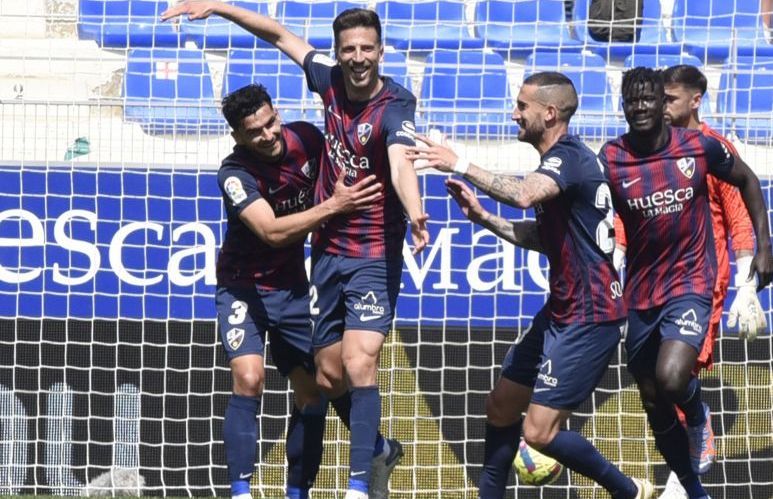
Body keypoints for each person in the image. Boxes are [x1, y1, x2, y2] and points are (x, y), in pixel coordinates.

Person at [162, 4, 430, 498]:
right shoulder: (241, 168)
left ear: (380, 50)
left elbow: (399, 157)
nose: (357, 57)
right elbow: (272, 233)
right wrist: (333, 205)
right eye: (348, 48)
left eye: (366, 48)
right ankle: (262, 484)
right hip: (279, 273)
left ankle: (341, 483)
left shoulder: (352, 121)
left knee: (340, 373)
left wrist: (414, 209)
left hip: (334, 266)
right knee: (287, 378)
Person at [407, 71, 654, 499]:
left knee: (538, 433)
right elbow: (543, 238)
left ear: (550, 112)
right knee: (501, 405)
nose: (514, 113)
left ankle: (629, 491)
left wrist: (459, 162)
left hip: (590, 317)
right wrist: (484, 219)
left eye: (522, 106)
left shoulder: (570, 160)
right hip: (562, 309)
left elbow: (523, 194)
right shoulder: (559, 166)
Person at [599, 67, 773, 499]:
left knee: (674, 378)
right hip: (641, 290)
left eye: (654, 99)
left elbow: (743, 192)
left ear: (668, 103)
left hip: (696, 280)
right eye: (631, 101)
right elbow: (616, 214)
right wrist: (614, 258)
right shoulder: (612, 157)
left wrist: (755, 263)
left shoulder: (702, 147)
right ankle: (691, 485)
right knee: (654, 395)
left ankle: (699, 421)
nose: (642, 107)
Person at [214, 83, 381, 499]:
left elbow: (345, 176)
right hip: (243, 290)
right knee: (249, 378)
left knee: (316, 389)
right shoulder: (234, 174)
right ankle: (240, 491)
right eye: (255, 132)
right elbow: (271, 231)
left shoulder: (307, 138)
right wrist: (332, 207)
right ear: (238, 137)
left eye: (271, 123)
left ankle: (299, 489)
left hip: (293, 291)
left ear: (278, 113)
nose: (268, 135)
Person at [655, 64, 766, 498]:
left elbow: (738, 216)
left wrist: (747, 284)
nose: (662, 108)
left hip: (704, 280)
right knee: (656, 378)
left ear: (695, 100)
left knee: (678, 373)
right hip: (659, 276)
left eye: (671, 99)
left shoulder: (714, 147)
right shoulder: (655, 148)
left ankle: (680, 484)